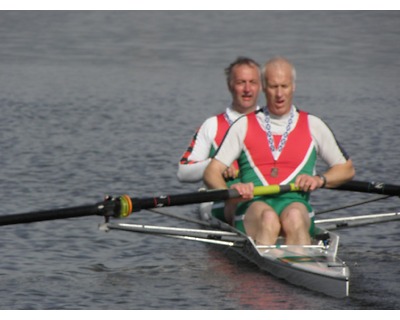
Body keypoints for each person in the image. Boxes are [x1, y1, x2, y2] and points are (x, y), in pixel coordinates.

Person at [203, 56, 355, 245]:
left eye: (285, 86)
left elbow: (347, 169)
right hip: (253, 205)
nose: (279, 94)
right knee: (268, 218)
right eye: (274, 87)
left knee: (294, 218)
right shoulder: (243, 126)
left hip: (295, 203)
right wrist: (229, 193)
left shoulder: (313, 125)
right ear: (264, 87)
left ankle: (302, 265)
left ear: (294, 86)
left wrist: (320, 179)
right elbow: (211, 172)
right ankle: (267, 271)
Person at [177, 56, 262, 221]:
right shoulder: (212, 125)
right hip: (219, 200)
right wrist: (215, 165)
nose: (247, 89)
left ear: (260, 86)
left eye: (252, 82)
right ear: (230, 86)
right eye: (241, 82)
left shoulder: (272, 125)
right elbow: (183, 172)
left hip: (261, 196)